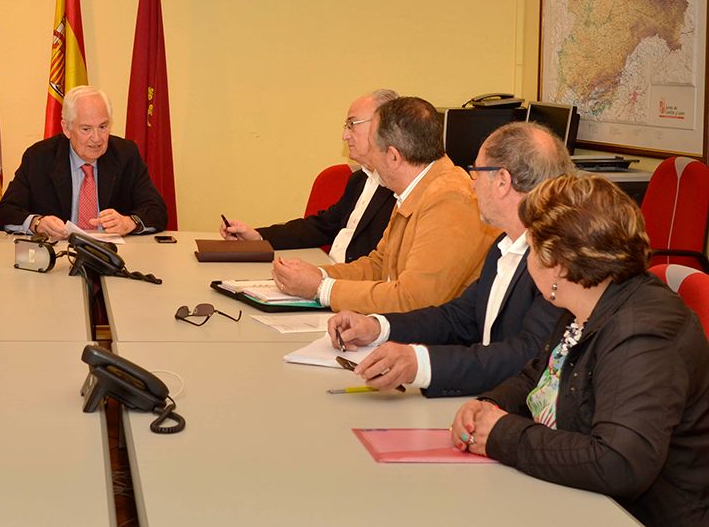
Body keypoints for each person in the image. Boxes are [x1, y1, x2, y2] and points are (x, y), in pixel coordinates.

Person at [450, 175, 709, 525]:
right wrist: (490, 405)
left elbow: (619, 463)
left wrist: (502, 435)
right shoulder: (588, 301)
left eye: (530, 245)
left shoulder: (641, 333)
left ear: (557, 264)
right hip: (582, 501)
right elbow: (541, 374)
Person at [328, 122, 571, 396]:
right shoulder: (503, 246)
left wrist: (421, 365)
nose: (472, 184)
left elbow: (527, 354)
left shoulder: (558, 260)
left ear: (502, 181)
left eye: (476, 173)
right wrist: (377, 326)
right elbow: (458, 318)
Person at [272, 96, 498, 313]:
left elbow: (415, 300)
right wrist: (319, 275)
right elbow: (379, 265)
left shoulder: (450, 199)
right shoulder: (418, 188)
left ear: (393, 156)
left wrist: (321, 289)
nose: (369, 156)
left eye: (372, 146)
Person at [220, 89, 397, 263]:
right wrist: (258, 237)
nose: (344, 136)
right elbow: (321, 227)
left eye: (352, 125)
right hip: (330, 275)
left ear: (382, 127)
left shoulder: (398, 189)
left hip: (351, 285)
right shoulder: (359, 179)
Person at [0, 86, 167, 239]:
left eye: (103, 126)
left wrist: (129, 222)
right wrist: (36, 223)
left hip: (113, 256)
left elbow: (157, 211)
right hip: (58, 258)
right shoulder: (39, 157)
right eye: (86, 129)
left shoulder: (126, 154)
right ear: (66, 128)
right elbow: (5, 212)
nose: (97, 138)